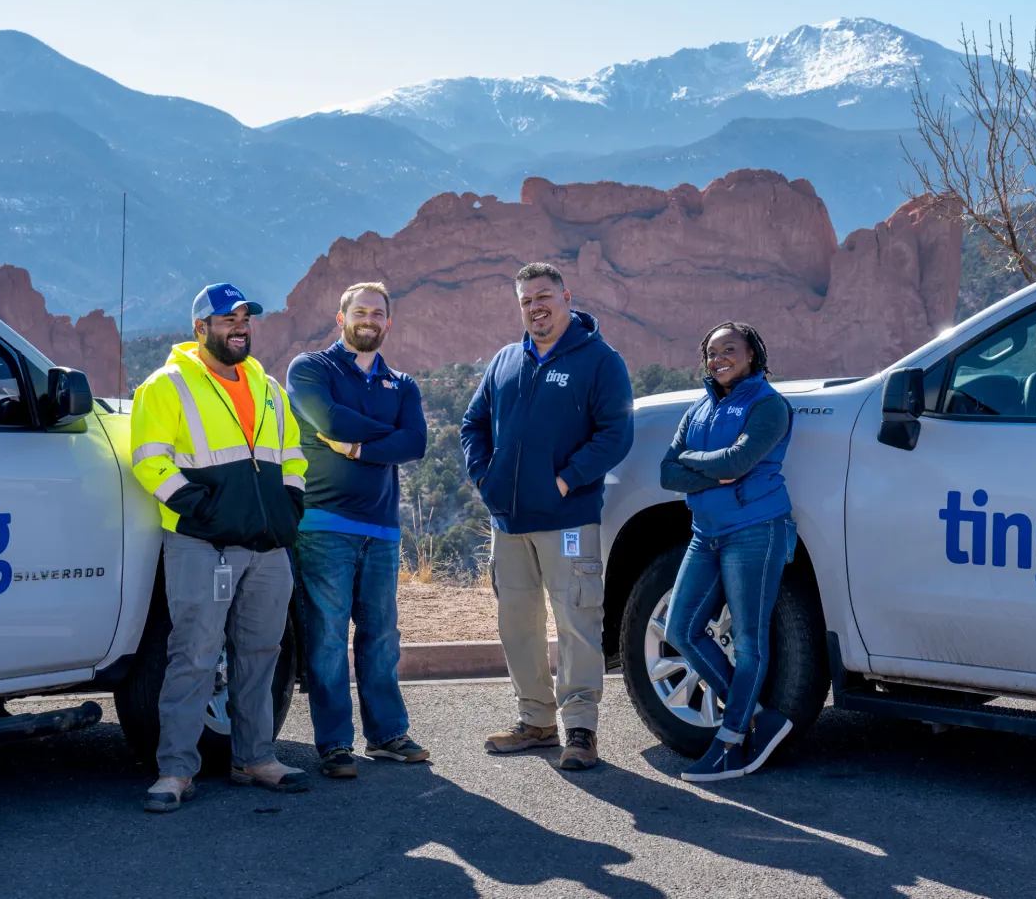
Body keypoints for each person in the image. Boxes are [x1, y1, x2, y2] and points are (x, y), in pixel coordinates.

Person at [129, 283, 310, 812]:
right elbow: (149, 459)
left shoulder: (270, 388)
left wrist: (289, 506)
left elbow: (293, 455)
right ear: (200, 328)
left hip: (266, 544)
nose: (239, 326)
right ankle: (176, 771)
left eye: (245, 317)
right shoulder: (167, 385)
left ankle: (254, 758)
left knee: (260, 654)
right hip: (204, 545)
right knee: (195, 656)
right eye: (227, 318)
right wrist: (200, 509)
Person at [461, 261, 634, 771]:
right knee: (517, 624)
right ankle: (535, 721)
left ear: (566, 297)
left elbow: (615, 434)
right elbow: (473, 424)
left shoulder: (600, 360)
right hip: (509, 523)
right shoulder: (506, 360)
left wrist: (565, 480)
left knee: (577, 621)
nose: (536, 307)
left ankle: (580, 729)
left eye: (544, 297)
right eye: (526, 300)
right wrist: (484, 479)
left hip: (568, 520)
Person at [286, 282, 429, 779]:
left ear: (388, 322)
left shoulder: (402, 383)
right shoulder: (310, 369)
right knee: (326, 637)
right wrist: (384, 433)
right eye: (360, 311)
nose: (369, 319)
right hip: (324, 524)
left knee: (381, 637)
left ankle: (388, 735)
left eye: (378, 313)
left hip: (383, 529)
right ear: (341, 316)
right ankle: (334, 744)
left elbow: (416, 443)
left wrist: (360, 445)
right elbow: (326, 417)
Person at [658, 321, 797, 783]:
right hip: (706, 533)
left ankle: (732, 742)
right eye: (711, 352)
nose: (718, 359)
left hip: (756, 530)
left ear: (752, 354)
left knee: (749, 643)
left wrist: (694, 463)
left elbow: (738, 462)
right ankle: (757, 715)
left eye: (729, 350)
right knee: (680, 628)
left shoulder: (769, 405)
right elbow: (665, 473)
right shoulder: (698, 409)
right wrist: (711, 469)